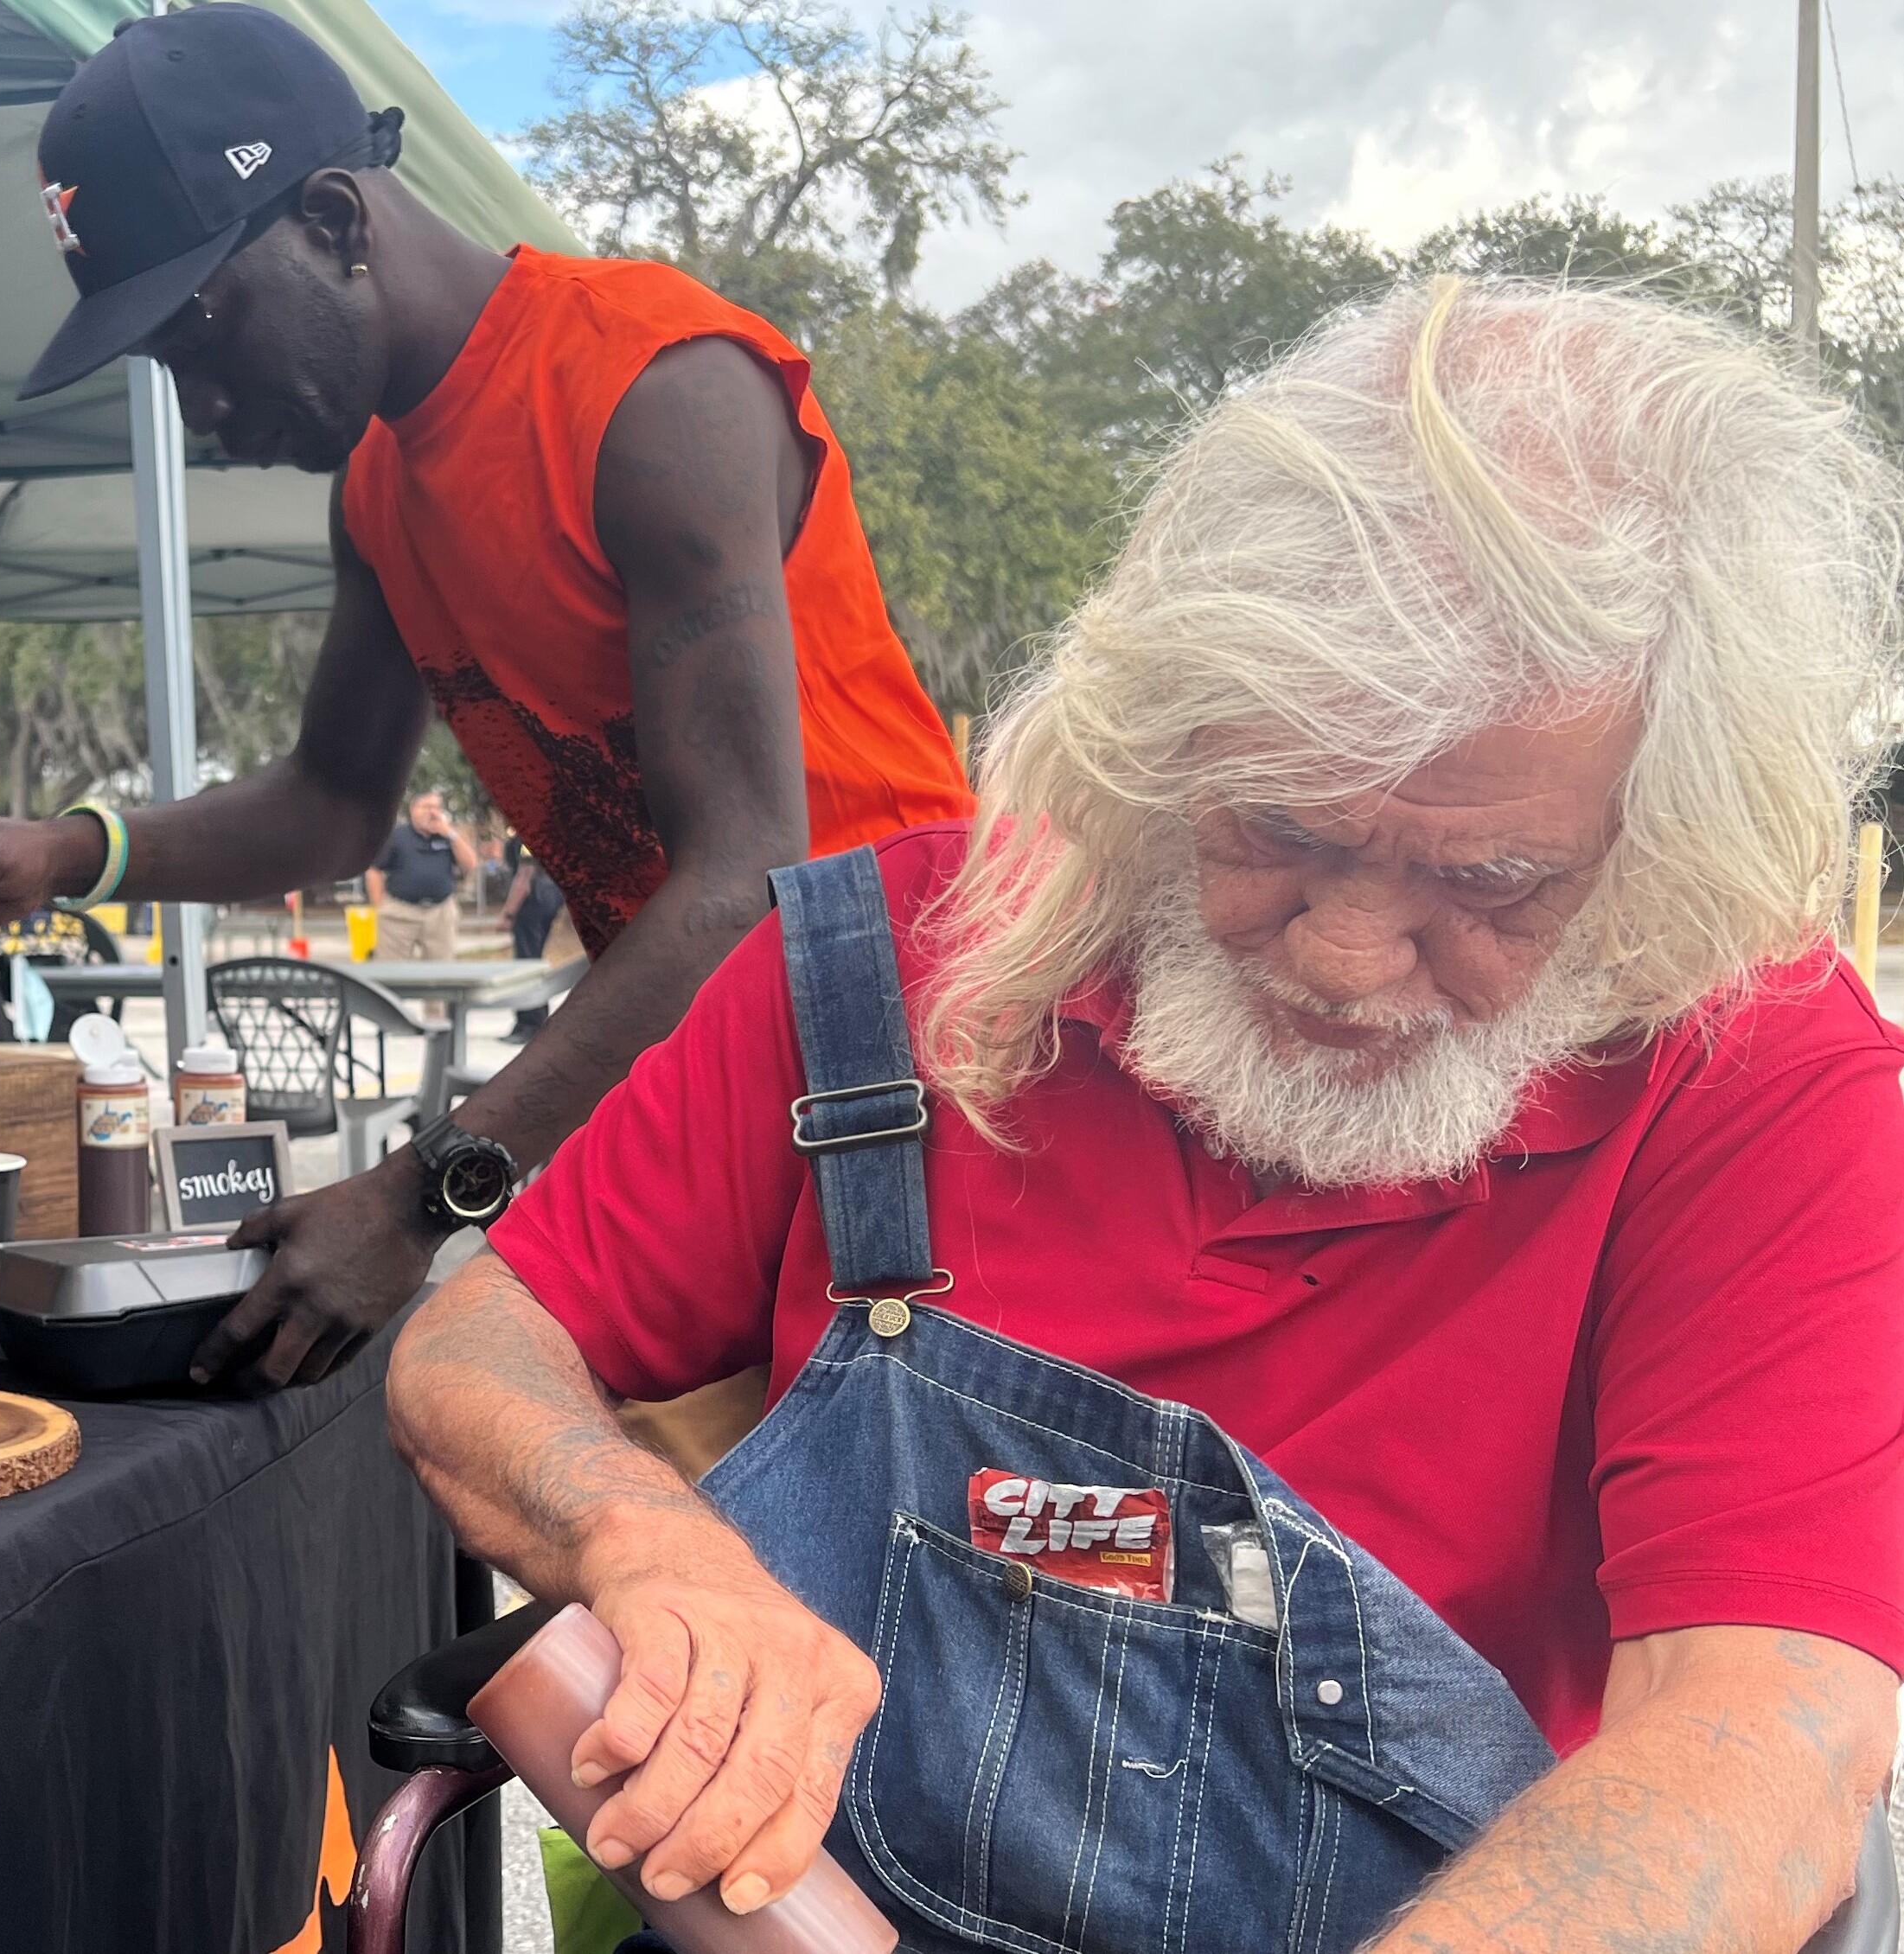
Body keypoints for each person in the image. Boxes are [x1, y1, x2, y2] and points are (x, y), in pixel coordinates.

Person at [387, 278, 1904, 1949]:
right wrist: (643, 1542)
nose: (1342, 957)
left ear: (1653, 844)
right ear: (1158, 735)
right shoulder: (882, 971)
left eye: (1487, 881)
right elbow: (468, 1353)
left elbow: (1768, 1729)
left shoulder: (1751, 1074)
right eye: (1275, 829)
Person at [0, 3, 968, 1389]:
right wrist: (65, 852)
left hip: (920, 1076)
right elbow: (333, 805)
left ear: (333, 219)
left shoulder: (653, 391)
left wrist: (417, 1195)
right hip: (722, 1079)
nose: (199, 407)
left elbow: (750, 875)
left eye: (200, 336)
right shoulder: (381, 493)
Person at [365, 789, 476, 962]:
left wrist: (450, 833)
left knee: (442, 971)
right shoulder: (397, 836)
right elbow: (374, 869)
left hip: (440, 913)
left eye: (437, 807)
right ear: (413, 810)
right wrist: (379, 903)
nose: (433, 812)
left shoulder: (448, 837)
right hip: (400, 912)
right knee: (392, 970)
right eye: (427, 807)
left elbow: (470, 864)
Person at [499, 831, 566, 1043]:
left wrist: (508, 913)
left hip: (533, 902)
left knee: (526, 964)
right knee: (533, 961)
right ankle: (538, 1020)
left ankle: (529, 1024)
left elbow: (524, 876)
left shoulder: (527, 834)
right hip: (549, 898)